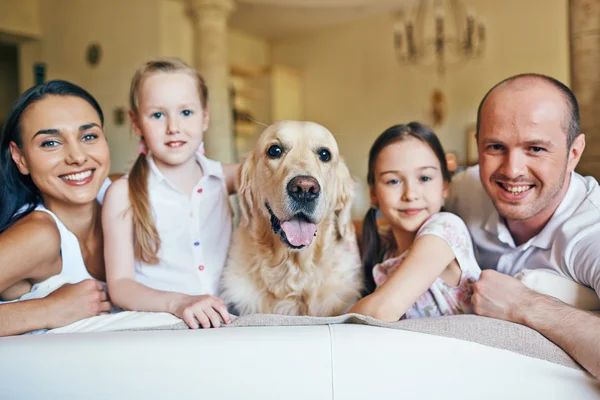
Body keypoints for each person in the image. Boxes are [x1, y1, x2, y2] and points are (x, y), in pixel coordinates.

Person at [446, 73, 600, 379]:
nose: (512, 170)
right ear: (477, 144)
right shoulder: (463, 190)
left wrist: (524, 304)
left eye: (536, 149)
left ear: (574, 153)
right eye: (495, 147)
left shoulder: (592, 229)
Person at [103, 58, 236, 329]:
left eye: (186, 112)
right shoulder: (122, 194)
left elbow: (281, 176)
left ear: (205, 117)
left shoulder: (225, 178)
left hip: (226, 324)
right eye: (157, 115)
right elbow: (120, 285)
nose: (173, 126)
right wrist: (179, 303)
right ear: (136, 122)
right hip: (160, 327)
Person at [0, 80, 112, 335]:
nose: (77, 156)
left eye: (89, 136)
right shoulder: (38, 236)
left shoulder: (117, 194)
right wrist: (48, 310)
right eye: (50, 143)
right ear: (21, 158)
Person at [349, 122, 481, 321]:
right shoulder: (384, 249)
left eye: (425, 178)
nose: (410, 194)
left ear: (445, 186)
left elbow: (381, 310)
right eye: (393, 181)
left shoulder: (446, 229)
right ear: (374, 194)